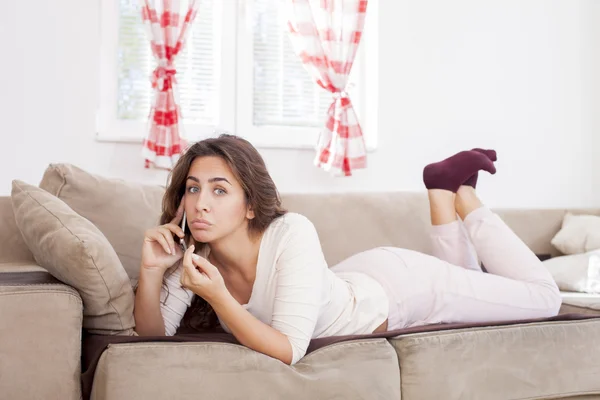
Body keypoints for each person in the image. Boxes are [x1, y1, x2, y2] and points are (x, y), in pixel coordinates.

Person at [134, 134, 561, 366]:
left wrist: (220, 298)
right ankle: (442, 189)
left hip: (403, 289)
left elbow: (287, 350)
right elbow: (152, 341)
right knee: (478, 290)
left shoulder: (291, 231)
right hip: (358, 279)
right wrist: (152, 272)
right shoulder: (191, 256)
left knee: (544, 298)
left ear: (249, 205)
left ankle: (464, 198)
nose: (201, 202)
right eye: (193, 188)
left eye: (219, 189)